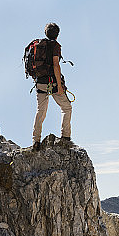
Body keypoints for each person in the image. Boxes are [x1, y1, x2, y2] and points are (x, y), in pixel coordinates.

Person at [32, 22, 72, 151]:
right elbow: (56, 65)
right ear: (57, 35)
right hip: (52, 83)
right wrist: (59, 86)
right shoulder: (55, 46)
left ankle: (36, 141)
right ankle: (65, 137)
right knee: (66, 108)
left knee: (40, 111)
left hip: (39, 83)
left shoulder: (38, 46)